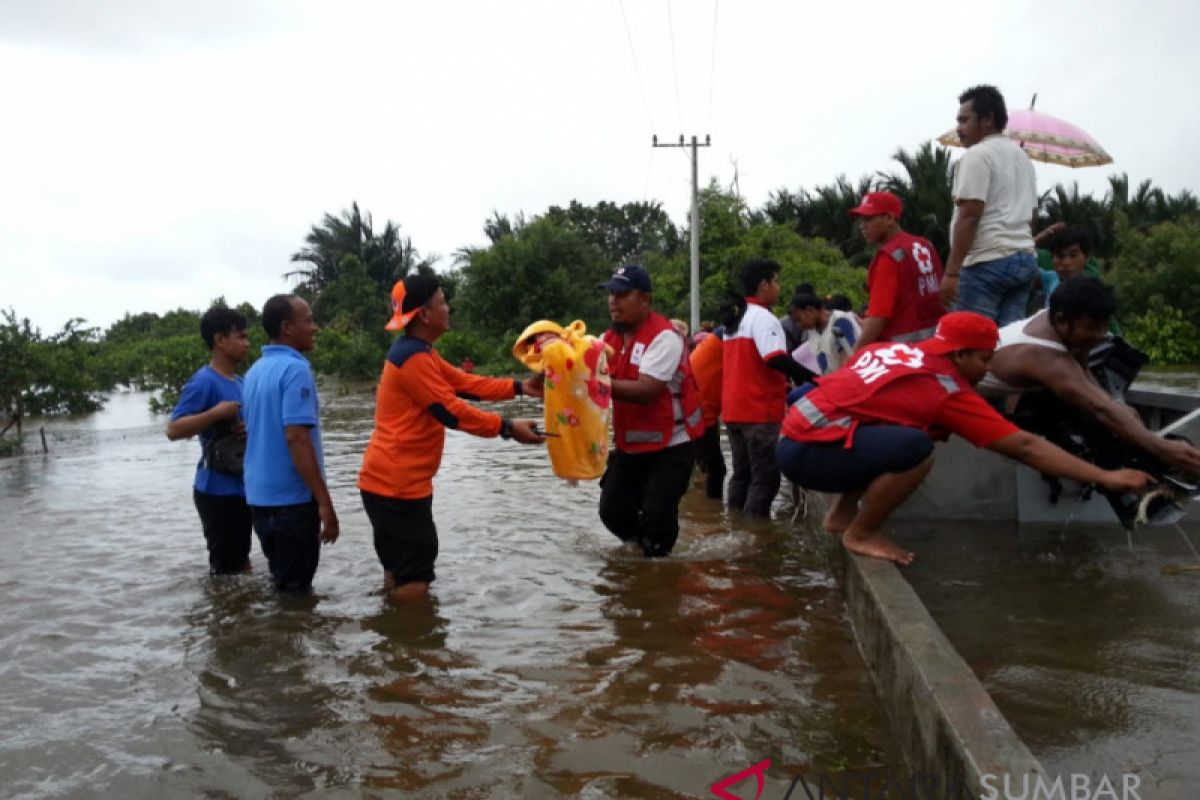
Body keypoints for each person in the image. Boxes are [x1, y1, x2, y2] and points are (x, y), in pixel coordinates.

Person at [777, 311, 1154, 565]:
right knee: (915, 450)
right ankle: (862, 533)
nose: (988, 369)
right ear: (959, 354)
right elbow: (1025, 446)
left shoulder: (892, 350)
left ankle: (841, 515)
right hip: (809, 454)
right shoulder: (945, 389)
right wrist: (1106, 477)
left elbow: (837, 399)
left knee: (893, 433)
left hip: (797, 438)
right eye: (984, 360)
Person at [358, 275, 545, 602]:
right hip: (397, 488)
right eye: (442, 301)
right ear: (426, 314)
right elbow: (450, 411)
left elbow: (464, 383)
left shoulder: (419, 352)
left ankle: (390, 642)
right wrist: (507, 428)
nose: (448, 307)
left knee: (399, 575)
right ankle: (410, 643)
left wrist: (520, 387)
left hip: (389, 484)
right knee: (415, 583)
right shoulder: (412, 358)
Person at [977, 276, 1200, 480]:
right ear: (1062, 320)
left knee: (1119, 412)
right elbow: (1098, 409)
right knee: (1103, 416)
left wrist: (1117, 406)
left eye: (1104, 326)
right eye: (1093, 328)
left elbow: (1085, 371)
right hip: (959, 391)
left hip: (1001, 385)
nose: (1100, 335)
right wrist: (1163, 449)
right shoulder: (1044, 357)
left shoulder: (1060, 322)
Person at [598, 264, 704, 556]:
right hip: (631, 446)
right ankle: (640, 556)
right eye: (610, 294)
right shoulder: (609, 340)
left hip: (671, 445)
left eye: (622, 294)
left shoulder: (664, 338)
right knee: (611, 511)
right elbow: (579, 361)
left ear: (645, 299)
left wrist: (596, 383)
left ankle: (659, 570)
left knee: (658, 514)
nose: (613, 301)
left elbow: (647, 391)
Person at [242, 294, 338, 593]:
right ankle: (287, 639)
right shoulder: (296, 369)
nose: (315, 327)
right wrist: (324, 501)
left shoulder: (254, 371)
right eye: (308, 320)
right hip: (291, 504)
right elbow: (297, 438)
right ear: (287, 327)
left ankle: (274, 639)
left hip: (259, 501)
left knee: (282, 584)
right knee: (296, 599)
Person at [939, 85, 1039, 325]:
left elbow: (970, 215)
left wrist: (951, 272)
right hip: (1024, 260)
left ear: (988, 119)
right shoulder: (1023, 158)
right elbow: (1032, 215)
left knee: (968, 344)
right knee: (1005, 346)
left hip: (987, 263)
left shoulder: (976, 156)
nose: (959, 129)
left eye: (964, 120)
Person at [721, 259, 814, 516]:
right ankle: (754, 541)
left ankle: (733, 527)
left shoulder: (736, 318)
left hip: (733, 410)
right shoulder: (763, 318)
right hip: (759, 411)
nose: (779, 288)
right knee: (765, 480)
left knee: (741, 477)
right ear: (765, 285)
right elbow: (775, 358)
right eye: (776, 281)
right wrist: (814, 378)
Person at [166, 306, 252, 575]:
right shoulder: (203, 382)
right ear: (220, 339)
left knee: (241, 563)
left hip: (241, 487)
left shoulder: (240, 381)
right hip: (216, 490)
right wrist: (216, 413)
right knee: (226, 571)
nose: (246, 344)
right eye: (240, 336)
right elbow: (174, 429)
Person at [851, 191, 945, 350]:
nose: (862, 226)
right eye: (862, 220)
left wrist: (853, 356)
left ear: (889, 218)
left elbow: (879, 319)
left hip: (902, 353)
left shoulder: (889, 257)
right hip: (937, 345)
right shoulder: (925, 245)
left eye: (869, 219)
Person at [689, 328, 726, 499]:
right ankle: (710, 513)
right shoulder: (720, 347)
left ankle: (702, 509)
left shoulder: (706, 351)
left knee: (707, 464)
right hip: (700, 414)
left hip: (698, 412)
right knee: (716, 468)